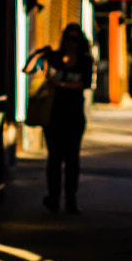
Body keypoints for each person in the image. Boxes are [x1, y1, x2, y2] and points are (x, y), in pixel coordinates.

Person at [23, 24, 93, 214]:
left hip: (74, 117)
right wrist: (39, 53)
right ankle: (53, 198)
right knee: (54, 158)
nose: (71, 43)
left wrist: (60, 83)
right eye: (68, 38)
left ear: (80, 42)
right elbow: (27, 69)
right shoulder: (53, 57)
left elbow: (83, 84)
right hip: (52, 115)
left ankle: (71, 199)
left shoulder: (85, 61)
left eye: (75, 39)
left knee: (72, 159)